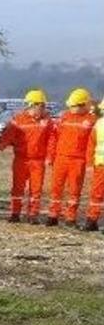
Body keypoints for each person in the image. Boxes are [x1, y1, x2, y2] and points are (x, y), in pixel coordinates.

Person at [0, 89, 54, 223]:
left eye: (44, 106)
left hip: (38, 161)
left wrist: (50, 157)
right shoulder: (18, 119)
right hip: (21, 160)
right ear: (32, 105)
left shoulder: (47, 121)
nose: (43, 109)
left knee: (36, 190)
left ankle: (33, 215)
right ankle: (15, 213)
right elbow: (9, 135)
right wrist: (1, 145)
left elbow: (51, 140)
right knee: (17, 188)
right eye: (41, 106)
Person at [46, 88, 96, 226]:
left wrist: (89, 162)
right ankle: (53, 215)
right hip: (60, 158)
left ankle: (70, 217)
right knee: (56, 188)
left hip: (78, 160)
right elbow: (53, 138)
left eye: (74, 106)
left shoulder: (91, 121)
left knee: (74, 190)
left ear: (83, 105)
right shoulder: (64, 117)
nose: (71, 108)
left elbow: (92, 144)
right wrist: (50, 156)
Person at [85, 98, 104, 232]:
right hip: (100, 165)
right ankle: (92, 220)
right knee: (96, 194)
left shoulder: (99, 123)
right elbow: (91, 145)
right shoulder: (99, 124)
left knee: (96, 194)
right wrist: (90, 163)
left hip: (100, 164)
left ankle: (92, 220)